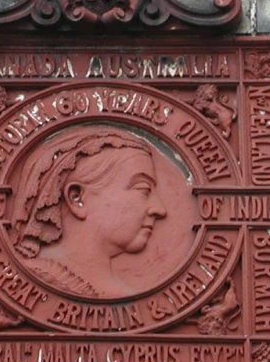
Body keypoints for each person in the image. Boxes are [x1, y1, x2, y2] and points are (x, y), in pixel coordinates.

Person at [11, 126, 167, 298]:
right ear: (77, 198)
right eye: (143, 189)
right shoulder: (36, 279)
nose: (160, 209)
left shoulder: (129, 299)